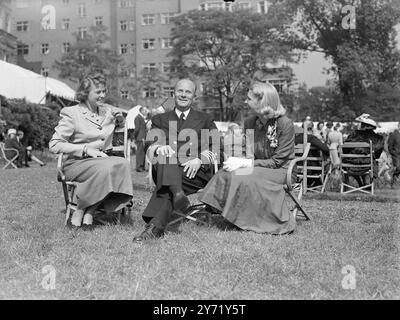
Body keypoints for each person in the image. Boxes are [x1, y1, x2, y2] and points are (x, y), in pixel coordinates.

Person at [199, 81, 296, 235]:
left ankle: (251, 220)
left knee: (244, 175)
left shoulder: (285, 124)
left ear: (262, 101)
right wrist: (235, 158)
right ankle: (218, 208)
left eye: (249, 99)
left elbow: (277, 161)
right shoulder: (250, 122)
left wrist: (246, 163)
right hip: (257, 166)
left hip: (281, 170)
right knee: (227, 172)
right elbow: (247, 150)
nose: (246, 101)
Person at [132, 78, 218, 243]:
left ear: (194, 96)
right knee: (166, 156)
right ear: (174, 93)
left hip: (194, 172)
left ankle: (154, 226)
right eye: (180, 91)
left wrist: (200, 160)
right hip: (165, 168)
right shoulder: (160, 119)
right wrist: (158, 147)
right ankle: (177, 194)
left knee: (168, 185)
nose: (183, 95)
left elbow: (217, 147)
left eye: (188, 92)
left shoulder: (205, 119)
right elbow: (149, 143)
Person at [49, 72, 134, 230]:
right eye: (98, 92)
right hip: (76, 164)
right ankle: (82, 210)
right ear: (85, 93)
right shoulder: (72, 113)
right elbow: (54, 144)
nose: (103, 95)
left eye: (104, 91)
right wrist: (85, 149)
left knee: (123, 164)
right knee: (107, 167)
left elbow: (119, 134)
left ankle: (87, 211)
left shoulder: (107, 111)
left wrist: (120, 121)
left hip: (101, 161)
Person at [344, 113, 384, 187]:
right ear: (373, 127)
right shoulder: (379, 138)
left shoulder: (354, 134)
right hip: (367, 165)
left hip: (350, 165)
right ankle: (365, 185)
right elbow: (377, 154)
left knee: (353, 160)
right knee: (370, 160)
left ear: (363, 125)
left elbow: (345, 149)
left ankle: (361, 184)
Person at [133, 106, 150, 172]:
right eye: (145, 110)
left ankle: (142, 166)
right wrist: (134, 136)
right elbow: (137, 128)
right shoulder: (138, 117)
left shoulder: (141, 117)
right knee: (140, 152)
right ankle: (139, 167)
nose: (146, 112)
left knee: (142, 152)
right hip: (140, 137)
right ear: (141, 111)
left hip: (142, 137)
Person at [388, 122, 400, 186]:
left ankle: (392, 181)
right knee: (398, 168)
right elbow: (389, 146)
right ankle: (392, 179)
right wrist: (393, 153)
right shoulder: (394, 134)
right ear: (399, 126)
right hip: (396, 155)